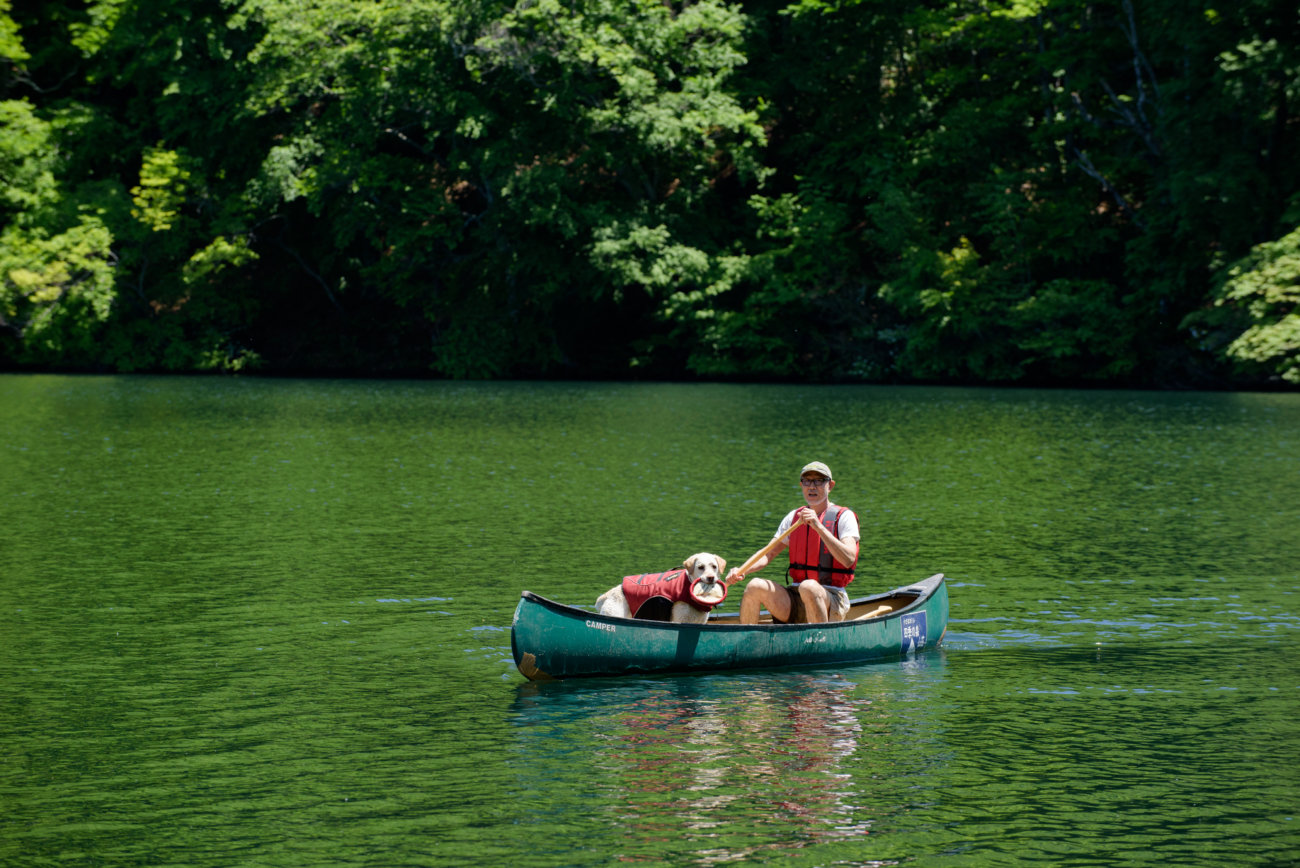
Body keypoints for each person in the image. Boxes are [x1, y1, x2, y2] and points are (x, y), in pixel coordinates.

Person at [725, 461, 860, 624]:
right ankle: (748, 644)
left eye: (818, 481)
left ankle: (821, 643)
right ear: (801, 485)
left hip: (831, 598)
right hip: (796, 597)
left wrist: (819, 527)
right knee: (754, 586)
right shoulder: (793, 518)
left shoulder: (844, 517)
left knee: (809, 586)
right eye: (807, 481)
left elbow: (848, 559)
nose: (812, 486)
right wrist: (742, 570)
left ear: (830, 485)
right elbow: (769, 553)